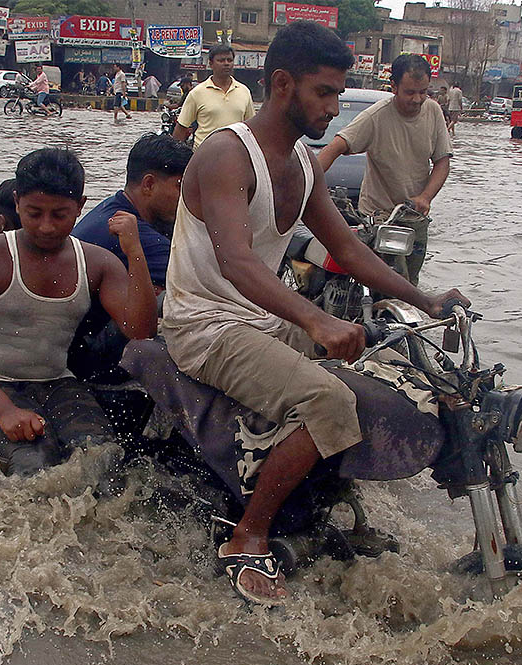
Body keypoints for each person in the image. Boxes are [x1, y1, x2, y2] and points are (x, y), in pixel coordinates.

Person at [161, 21, 468, 605]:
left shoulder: (303, 164)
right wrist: (315, 321)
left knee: (388, 370)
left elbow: (348, 248)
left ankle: (332, 503)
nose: (333, 107)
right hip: (203, 324)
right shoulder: (227, 155)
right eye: (323, 93)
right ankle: (248, 537)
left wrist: (423, 299)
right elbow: (237, 263)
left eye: (337, 93)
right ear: (282, 85)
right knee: (328, 398)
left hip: (258, 318)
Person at [0, 148, 157, 476]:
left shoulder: (97, 263)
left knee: (101, 459)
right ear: (16, 203)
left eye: (59, 215)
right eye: (34, 213)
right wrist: (5, 411)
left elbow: (140, 330)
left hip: (56, 382)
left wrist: (135, 252)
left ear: (80, 207)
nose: (46, 226)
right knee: (33, 466)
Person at [317, 53, 452, 285]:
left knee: (411, 284)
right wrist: (308, 185)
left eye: (423, 92)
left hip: (414, 216)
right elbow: (335, 147)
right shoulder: (376, 116)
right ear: (394, 87)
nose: (417, 99)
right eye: (410, 92)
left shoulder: (433, 111)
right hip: (378, 218)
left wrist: (425, 197)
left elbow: (443, 161)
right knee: (383, 282)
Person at [68, 134, 192, 382]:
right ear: (148, 185)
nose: (187, 198)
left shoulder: (112, 208)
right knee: (189, 293)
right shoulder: (128, 231)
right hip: (87, 356)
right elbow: (200, 278)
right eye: (180, 186)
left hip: (77, 340)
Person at [172, 44, 254, 148]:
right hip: (204, 156)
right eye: (221, 60)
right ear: (211, 64)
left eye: (229, 60)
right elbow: (181, 128)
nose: (226, 64)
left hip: (235, 156)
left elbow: (250, 128)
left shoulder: (244, 91)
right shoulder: (197, 93)